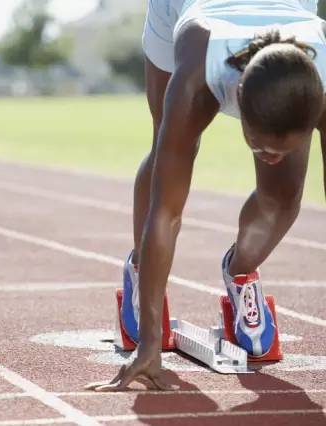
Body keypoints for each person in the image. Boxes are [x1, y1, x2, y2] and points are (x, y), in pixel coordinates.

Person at [87, 0, 326, 391]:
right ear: (235, 98)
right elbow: (166, 214)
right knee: (171, 144)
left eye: (283, 147)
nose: (271, 155)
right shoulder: (198, 77)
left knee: (284, 192)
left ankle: (240, 273)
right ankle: (140, 274)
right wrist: (149, 345)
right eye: (259, 144)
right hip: (190, 12)